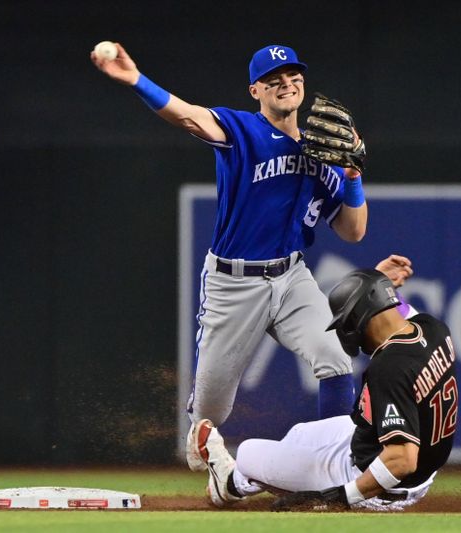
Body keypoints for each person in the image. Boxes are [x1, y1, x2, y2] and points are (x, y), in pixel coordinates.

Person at [91, 43, 368, 471]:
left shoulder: (324, 154)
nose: (286, 84)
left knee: (334, 358)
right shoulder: (242, 130)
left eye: (293, 77)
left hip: (292, 277)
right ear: (255, 90)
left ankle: (332, 466)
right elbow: (188, 115)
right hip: (233, 283)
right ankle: (201, 426)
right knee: (211, 413)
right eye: (273, 80)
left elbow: (353, 231)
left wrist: (352, 177)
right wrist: (136, 81)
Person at [190, 265, 459, 511]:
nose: (346, 331)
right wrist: (378, 283)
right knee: (299, 434)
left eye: (347, 322)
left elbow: (401, 460)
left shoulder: (389, 368)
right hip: (406, 466)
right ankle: (242, 481)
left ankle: (230, 483)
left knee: (248, 453)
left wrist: (340, 497)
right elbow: (390, 308)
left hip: (377, 484)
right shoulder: (432, 328)